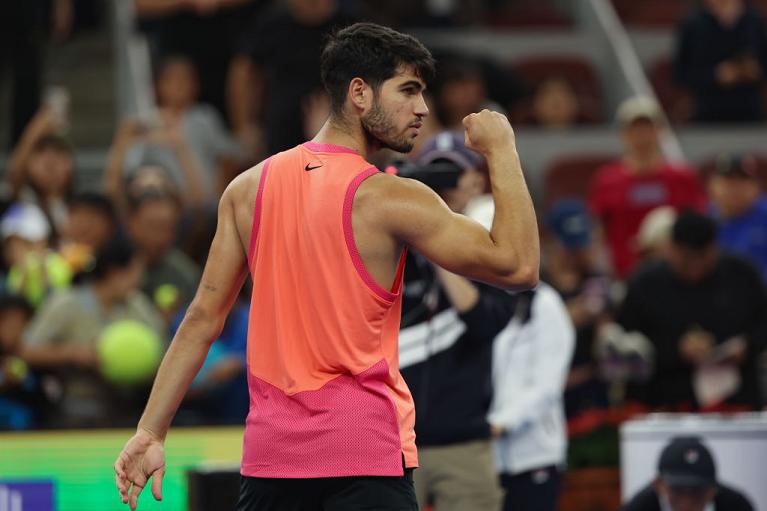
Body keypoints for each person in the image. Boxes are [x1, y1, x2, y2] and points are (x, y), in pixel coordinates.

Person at [114, 22, 539, 511]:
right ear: (359, 93)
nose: (423, 108)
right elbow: (518, 265)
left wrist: (150, 430)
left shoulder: (247, 190)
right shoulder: (388, 197)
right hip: (364, 462)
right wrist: (502, 149)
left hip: (270, 466)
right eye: (409, 90)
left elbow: (202, 319)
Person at [397, 132, 513, 511]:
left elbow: (486, 321)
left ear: (475, 182)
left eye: (452, 176)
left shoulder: (490, 246)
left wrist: (436, 249)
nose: (443, 187)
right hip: (391, 443)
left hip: (462, 441)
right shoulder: (392, 244)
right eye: (433, 177)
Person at [618, 211, 767, 412]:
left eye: (703, 257)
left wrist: (747, 346)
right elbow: (627, 343)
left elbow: (762, 323)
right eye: (687, 259)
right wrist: (675, 349)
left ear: (715, 248)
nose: (695, 267)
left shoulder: (742, 275)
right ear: (670, 248)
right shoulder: (645, 284)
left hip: (735, 401)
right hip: (664, 403)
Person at [21, 238, 164, 428]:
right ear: (115, 273)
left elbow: (163, 351)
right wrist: (73, 353)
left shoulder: (137, 305)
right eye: (136, 271)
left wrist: (140, 365)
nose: (140, 279)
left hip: (127, 412)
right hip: (71, 412)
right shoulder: (68, 303)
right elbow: (26, 350)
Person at [588, 96, 706, 279]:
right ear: (623, 134)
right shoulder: (608, 179)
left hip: (677, 275)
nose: (642, 135)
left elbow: (697, 226)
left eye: (648, 128)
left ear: (660, 131)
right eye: (635, 129)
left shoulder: (682, 177)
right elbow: (598, 231)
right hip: (625, 275)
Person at [489, 282, 575, 511]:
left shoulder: (545, 303)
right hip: (489, 457)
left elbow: (547, 385)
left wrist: (501, 424)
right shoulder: (487, 297)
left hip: (536, 453)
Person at [673, 0, 767, 123]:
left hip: (749, 111)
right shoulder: (692, 22)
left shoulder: (754, 20)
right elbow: (680, 74)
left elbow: (763, 64)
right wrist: (716, 75)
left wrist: (753, 71)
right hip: (708, 112)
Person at [622, 436, 754, 511]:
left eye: (696, 491)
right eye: (677, 490)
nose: (687, 501)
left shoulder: (736, 506)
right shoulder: (639, 508)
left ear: (712, 491)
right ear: (659, 486)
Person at [708, 153, 767, 282]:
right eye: (728, 182)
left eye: (742, 182)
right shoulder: (703, 220)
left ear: (756, 186)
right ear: (712, 186)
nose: (735, 189)